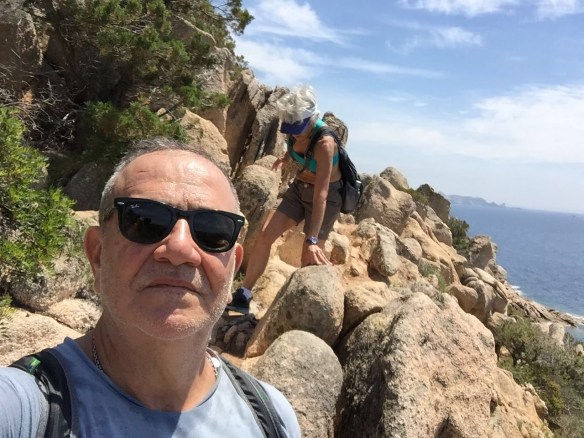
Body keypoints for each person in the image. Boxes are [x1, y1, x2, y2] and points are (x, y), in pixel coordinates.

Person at [0, 139, 301, 437]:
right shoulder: (25, 407)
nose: (180, 249)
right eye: (146, 221)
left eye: (213, 230)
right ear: (98, 255)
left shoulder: (272, 416)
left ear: (233, 266)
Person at [227, 85, 343, 315]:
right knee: (264, 236)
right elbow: (296, 146)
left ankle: (297, 313)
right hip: (300, 188)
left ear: (312, 118)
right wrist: (285, 158)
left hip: (327, 197)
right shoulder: (295, 129)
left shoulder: (325, 144)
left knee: (309, 255)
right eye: (291, 129)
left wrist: (312, 238)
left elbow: (322, 193)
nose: (294, 133)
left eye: (298, 128)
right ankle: (244, 294)